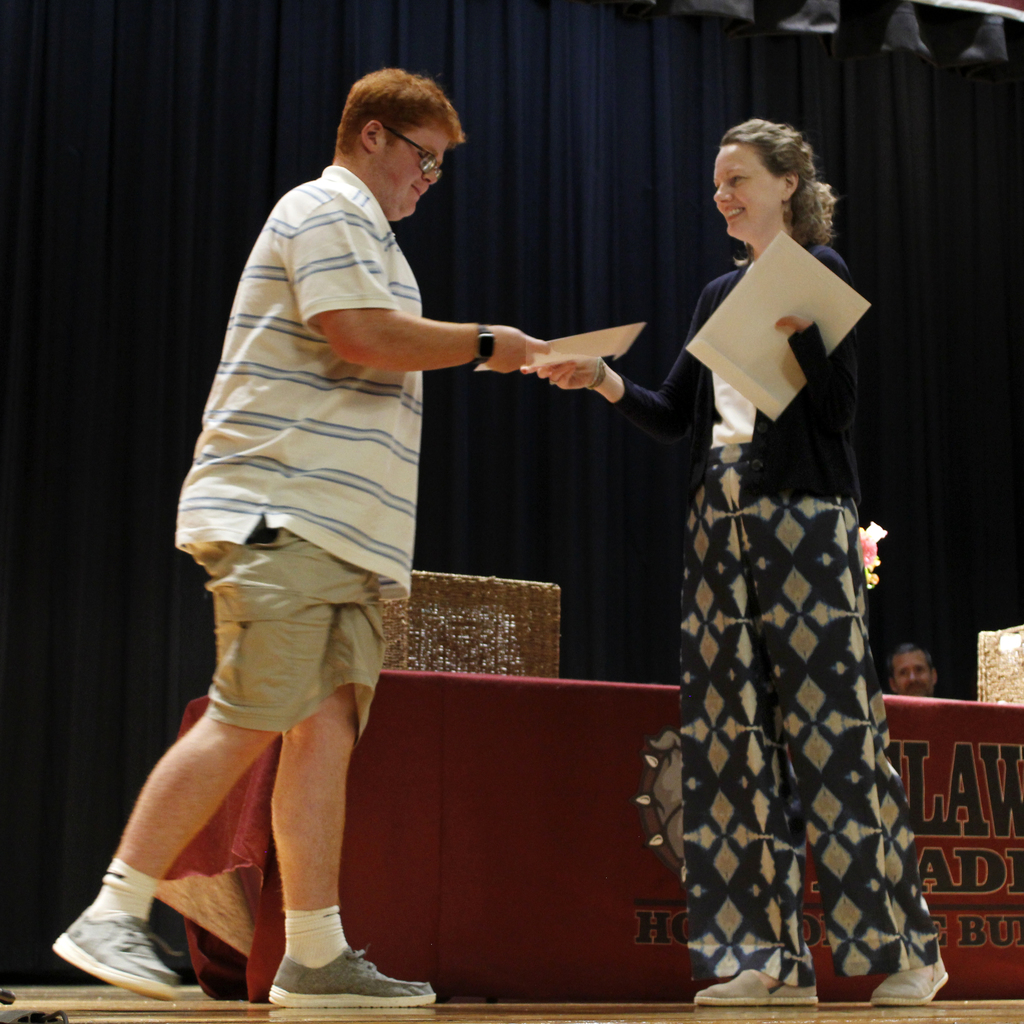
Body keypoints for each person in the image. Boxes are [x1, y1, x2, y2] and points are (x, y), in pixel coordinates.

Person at [53, 68, 548, 1009]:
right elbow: (358, 333)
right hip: (278, 513)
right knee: (250, 712)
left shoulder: (376, 242)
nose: (429, 180)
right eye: (423, 158)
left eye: (440, 168)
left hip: (339, 536)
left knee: (322, 731)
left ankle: (314, 953)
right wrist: (490, 342)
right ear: (372, 135)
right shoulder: (323, 208)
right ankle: (112, 908)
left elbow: (372, 338)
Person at [529, 120, 947, 1007]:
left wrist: (800, 337)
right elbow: (675, 413)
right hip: (715, 520)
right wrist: (602, 379)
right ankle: (769, 960)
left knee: (836, 733)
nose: (722, 195)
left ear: (787, 183)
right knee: (729, 739)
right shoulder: (719, 291)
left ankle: (911, 950)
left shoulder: (819, 272)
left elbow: (837, 414)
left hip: (804, 514)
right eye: (717, 183)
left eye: (738, 179)